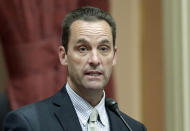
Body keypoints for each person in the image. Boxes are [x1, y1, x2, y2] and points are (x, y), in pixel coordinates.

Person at [3, 6, 146, 131]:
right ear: (63, 56)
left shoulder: (132, 128)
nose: (95, 60)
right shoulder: (29, 123)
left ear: (114, 56)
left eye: (103, 48)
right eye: (83, 49)